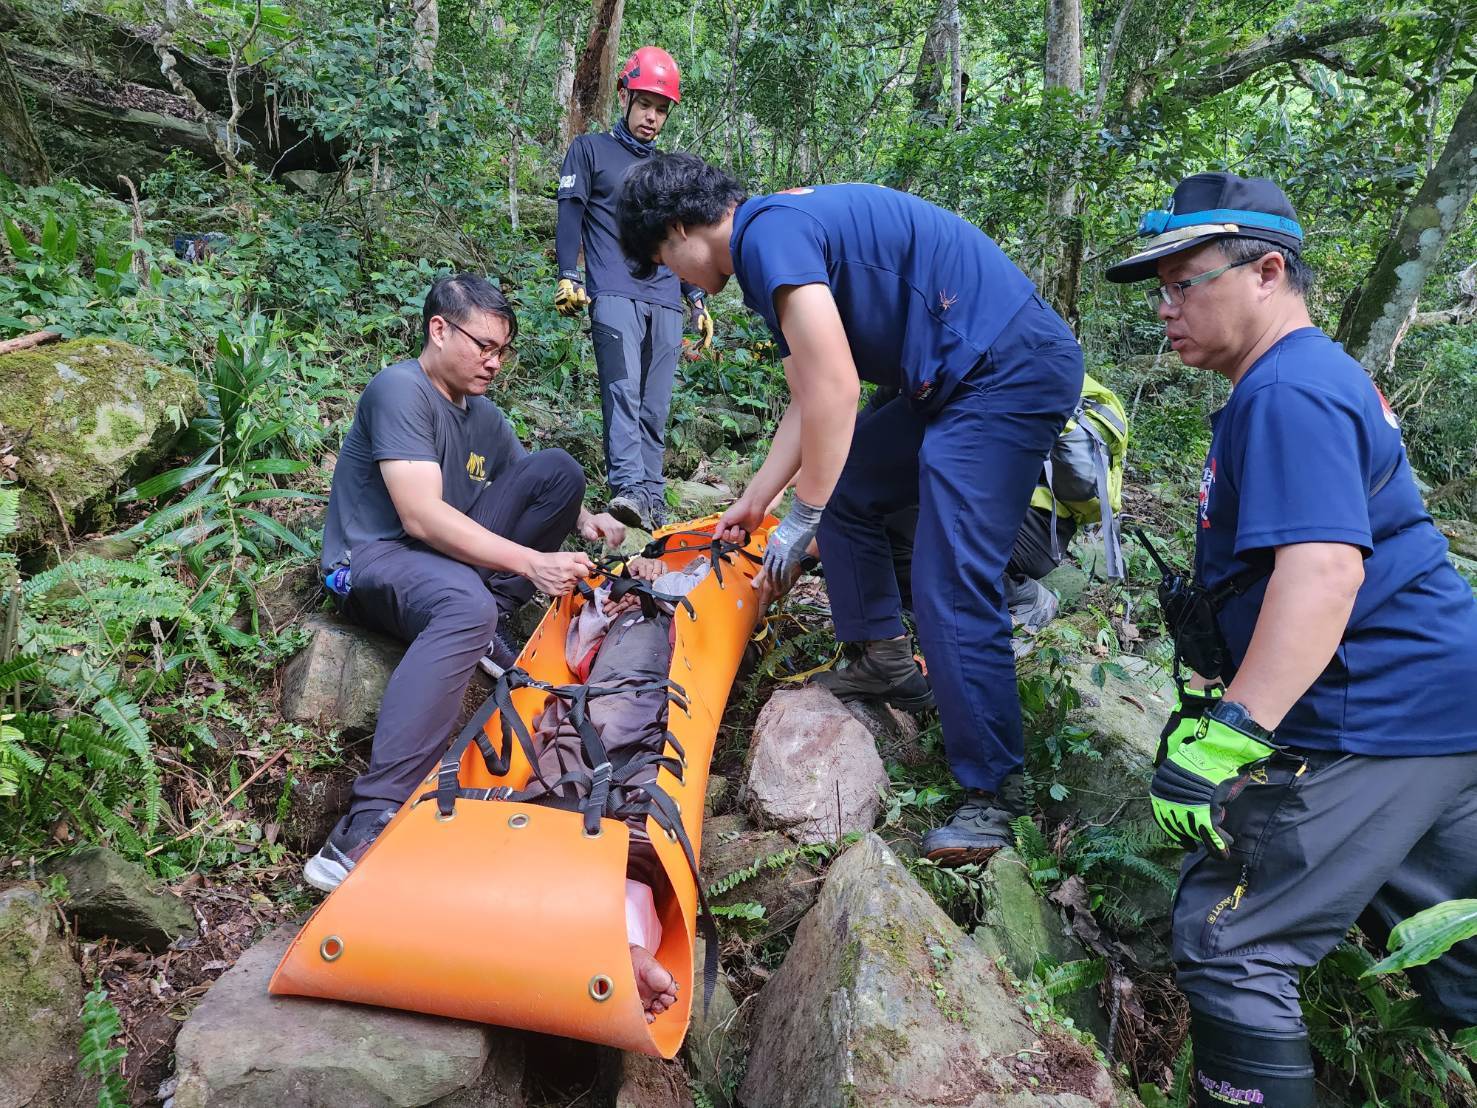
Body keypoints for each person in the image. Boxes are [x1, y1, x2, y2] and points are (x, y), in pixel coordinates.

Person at [1107, 171, 1477, 1106]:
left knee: (1232, 939)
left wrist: (1229, 735)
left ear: (1266, 271)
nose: (1165, 309)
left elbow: (1321, 574)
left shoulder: (1288, 391)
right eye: (1160, 291)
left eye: (1182, 284)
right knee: (1459, 936)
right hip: (1432, 703)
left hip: (1372, 707)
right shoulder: (1300, 379)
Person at [616, 155, 1085, 864]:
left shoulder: (766, 235)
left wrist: (801, 515)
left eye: (663, 261)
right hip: (957, 377)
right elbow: (810, 397)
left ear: (679, 228)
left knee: (949, 576)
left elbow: (837, 388)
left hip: (1004, 370)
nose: (676, 280)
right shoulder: (772, 239)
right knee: (850, 484)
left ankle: (994, 792)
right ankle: (884, 661)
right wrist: (758, 498)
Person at [305, 273, 624, 892]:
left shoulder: (482, 416)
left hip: (440, 566)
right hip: (372, 560)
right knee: (465, 605)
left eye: (502, 351)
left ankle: (486, 620)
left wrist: (588, 521)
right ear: (439, 329)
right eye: (483, 346)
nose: (494, 362)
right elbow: (420, 516)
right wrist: (530, 563)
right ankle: (367, 821)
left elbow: (527, 481)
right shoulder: (400, 389)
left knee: (559, 471)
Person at [554, 46, 713, 532]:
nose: (652, 117)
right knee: (622, 393)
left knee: (655, 406)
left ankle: (654, 499)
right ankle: (628, 490)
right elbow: (570, 212)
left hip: (665, 299)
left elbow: (680, 240)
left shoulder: (667, 169)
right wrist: (568, 273)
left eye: (661, 109)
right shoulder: (590, 150)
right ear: (624, 95)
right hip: (614, 292)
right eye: (645, 103)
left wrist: (696, 299)